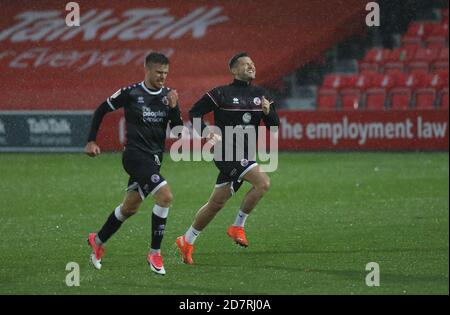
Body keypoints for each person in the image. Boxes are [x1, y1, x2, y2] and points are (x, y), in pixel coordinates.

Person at [176, 52, 279, 264]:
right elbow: (195, 112)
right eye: (245, 64)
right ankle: (237, 226)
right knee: (263, 183)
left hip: (245, 155)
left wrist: (268, 112)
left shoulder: (262, 94)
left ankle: (187, 239)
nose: (251, 66)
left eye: (252, 63)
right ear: (233, 70)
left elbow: (274, 127)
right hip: (226, 152)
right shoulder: (221, 93)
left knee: (216, 203)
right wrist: (204, 131)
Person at [85, 52, 183, 275]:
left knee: (130, 207)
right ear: (147, 70)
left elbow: (177, 131)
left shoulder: (169, 95)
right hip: (134, 156)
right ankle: (155, 253)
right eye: (159, 72)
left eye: (166, 73)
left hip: (155, 160)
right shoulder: (130, 93)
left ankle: (97, 241)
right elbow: (102, 109)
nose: (163, 77)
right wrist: (91, 140)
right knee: (165, 196)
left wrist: (175, 107)